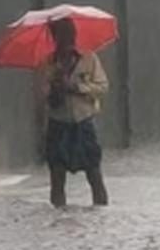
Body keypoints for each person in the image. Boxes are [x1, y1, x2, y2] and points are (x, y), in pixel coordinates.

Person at [37, 18, 109, 208]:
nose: (66, 40)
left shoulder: (89, 58)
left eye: (68, 35)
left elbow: (102, 87)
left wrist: (77, 87)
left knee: (94, 175)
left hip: (83, 123)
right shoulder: (48, 63)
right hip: (58, 125)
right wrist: (55, 86)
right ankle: (58, 216)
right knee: (57, 178)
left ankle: (101, 215)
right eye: (60, 36)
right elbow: (42, 95)